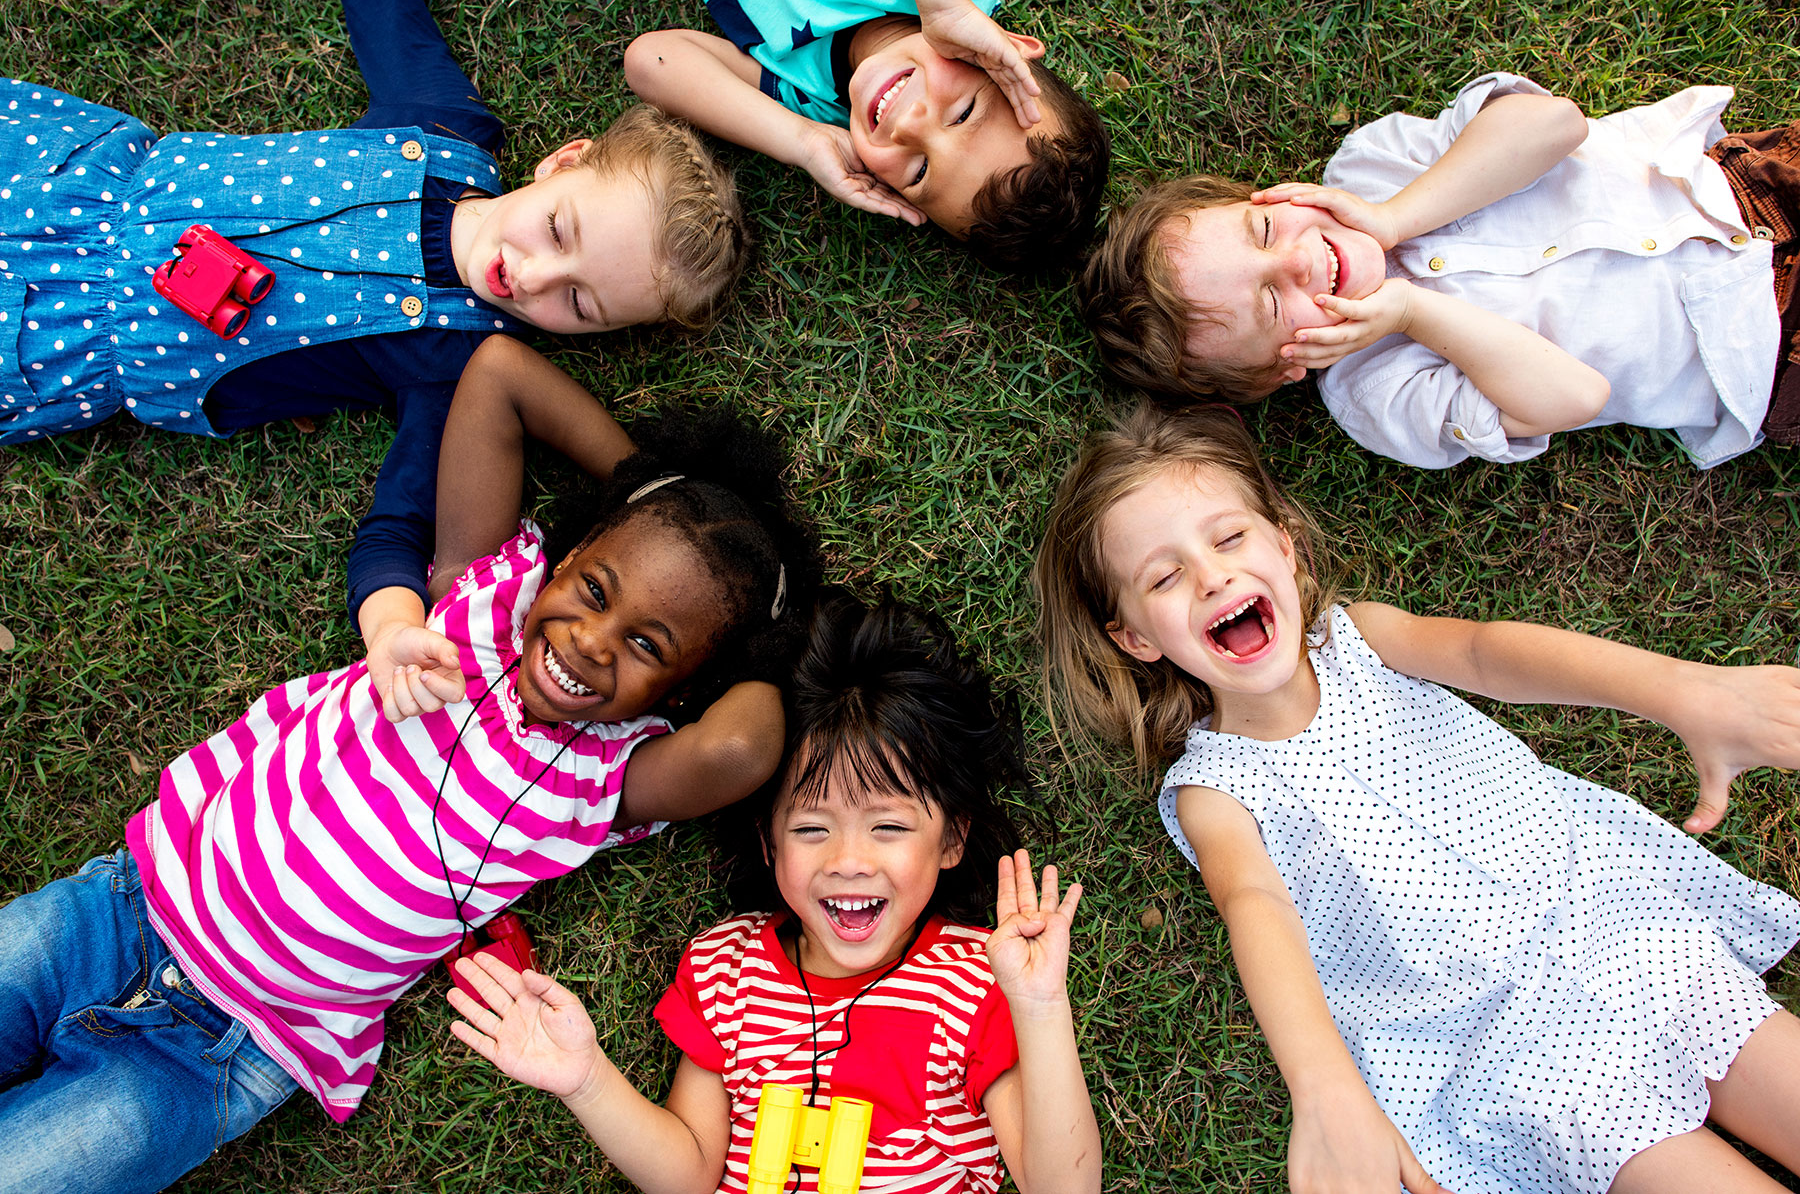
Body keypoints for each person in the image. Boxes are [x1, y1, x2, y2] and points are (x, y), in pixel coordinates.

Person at [0, 335, 820, 1194]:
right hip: (117, 909)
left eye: (648, 644)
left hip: (227, 1048)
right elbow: (500, 374)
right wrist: (658, 495)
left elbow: (745, 743)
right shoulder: (475, 599)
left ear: (682, 693)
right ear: (568, 560)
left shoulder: (607, 782)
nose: (590, 640)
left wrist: (776, 628)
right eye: (596, 590)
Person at [1034, 403, 1800, 1194]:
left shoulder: (1361, 638)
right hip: (1510, 1046)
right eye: (1164, 576)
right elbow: (1255, 905)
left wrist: (1684, 692)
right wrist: (1324, 1088)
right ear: (1134, 637)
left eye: (1229, 537)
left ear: (1286, 547)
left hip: (1610, 919)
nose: (1211, 574)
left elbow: (1486, 650)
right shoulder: (1214, 790)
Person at [0, 0, 750, 653]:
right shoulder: (442, 125)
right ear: (565, 160)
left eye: (579, 303)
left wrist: (391, 626)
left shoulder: (454, 370)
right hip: (64, 178)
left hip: (58, 335)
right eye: (558, 227)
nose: (532, 275)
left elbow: (396, 525)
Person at [449, 592, 1103, 1194]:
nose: (849, 860)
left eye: (889, 826)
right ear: (768, 842)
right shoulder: (724, 970)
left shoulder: (981, 981)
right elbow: (688, 1174)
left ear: (953, 839)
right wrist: (588, 1078)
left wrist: (1040, 1006)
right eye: (813, 827)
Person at [1080, 73, 1800, 469]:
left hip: (1740, 184)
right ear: (1282, 369)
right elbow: (1577, 394)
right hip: (1760, 352)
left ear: (1267, 193)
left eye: (1263, 229)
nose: (1298, 257)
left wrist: (1398, 218)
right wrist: (1412, 312)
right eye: (1273, 302)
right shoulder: (1376, 394)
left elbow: (1556, 125)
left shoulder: (1372, 166)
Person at [623, 0, 1109, 275]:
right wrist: (943, 3)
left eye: (919, 172)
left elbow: (651, 62)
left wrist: (804, 141)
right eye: (962, 113)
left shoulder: (812, 100)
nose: (910, 128)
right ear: (1008, 50)